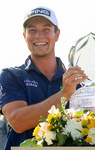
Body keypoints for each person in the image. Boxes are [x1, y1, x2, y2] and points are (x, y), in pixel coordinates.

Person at [0, 6, 87, 150]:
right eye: (32, 30)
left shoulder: (76, 82)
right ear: (24, 36)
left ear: (57, 35)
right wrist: (64, 95)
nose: (39, 35)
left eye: (46, 29)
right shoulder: (11, 76)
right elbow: (18, 122)